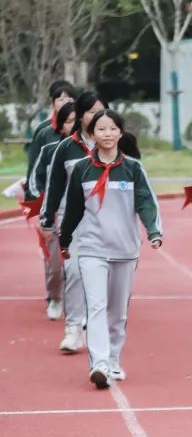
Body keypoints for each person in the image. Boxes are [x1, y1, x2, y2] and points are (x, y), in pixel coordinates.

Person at [57, 110, 161, 389]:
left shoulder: (133, 168)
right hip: (91, 247)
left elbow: (146, 203)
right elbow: (74, 209)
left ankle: (113, 359)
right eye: (100, 129)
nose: (106, 134)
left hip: (125, 249)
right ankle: (99, 364)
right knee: (97, 307)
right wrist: (64, 239)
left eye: (112, 129)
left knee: (118, 312)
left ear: (120, 133)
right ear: (93, 133)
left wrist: (153, 231)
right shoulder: (82, 169)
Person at [41, 92, 107, 353]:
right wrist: (47, 220)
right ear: (80, 116)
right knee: (75, 273)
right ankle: (73, 328)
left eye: (100, 111)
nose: (96, 116)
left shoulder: (112, 143)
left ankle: (98, 325)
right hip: (74, 221)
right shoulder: (65, 148)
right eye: (90, 112)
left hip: (106, 221)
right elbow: (54, 186)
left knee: (105, 276)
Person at [27, 101, 77, 321]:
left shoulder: (91, 151)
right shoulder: (49, 150)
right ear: (60, 125)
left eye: (77, 120)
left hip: (84, 218)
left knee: (83, 266)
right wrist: (45, 204)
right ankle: (55, 297)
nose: (73, 125)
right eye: (68, 121)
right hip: (55, 216)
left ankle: (80, 314)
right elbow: (35, 181)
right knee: (56, 266)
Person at [24, 81, 77, 200]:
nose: (65, 103)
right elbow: (34, 164)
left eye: (69, 99)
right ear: (53, 103)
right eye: (61, 99)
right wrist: (32, 194)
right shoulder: (44, 131)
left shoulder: (85, 131)